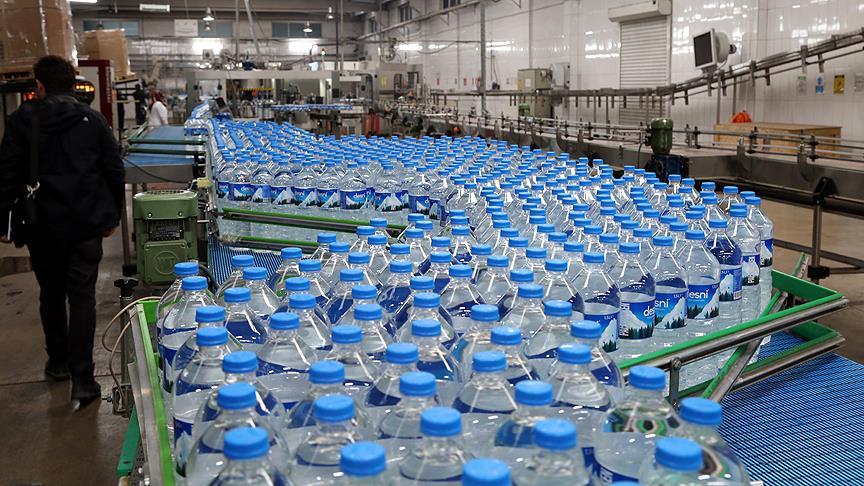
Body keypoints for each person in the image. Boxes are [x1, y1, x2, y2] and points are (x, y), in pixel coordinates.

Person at [0, 56, 125, 408]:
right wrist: (112, 215)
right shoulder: (92, 120)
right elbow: (113, 170)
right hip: (85, 224)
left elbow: (7, 173)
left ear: (38, 86)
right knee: (82, 297)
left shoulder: (22, 120)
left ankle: (58, 362)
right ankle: (83, 380)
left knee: (51, 293)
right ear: (74, 85)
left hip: (40, 225)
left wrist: (3, 221)